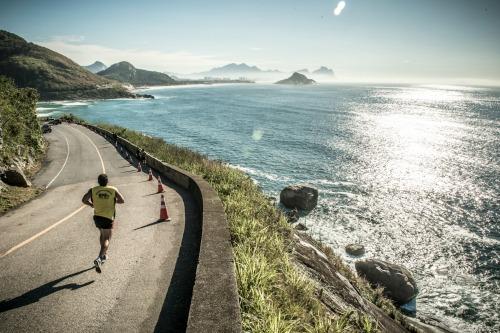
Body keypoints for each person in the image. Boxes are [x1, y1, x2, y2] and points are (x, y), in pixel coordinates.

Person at [82, 174, 125, 273]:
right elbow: (122, 200)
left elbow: (84, 200)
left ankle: (104, 254)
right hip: (108, 218)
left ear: (98, 181)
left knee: (102, 234)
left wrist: (91, 204)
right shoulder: (112, 189)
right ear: (107, 181)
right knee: (107, 238)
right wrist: (113, 201)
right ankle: (99, 257)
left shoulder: (93, 190)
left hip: (97, 217)